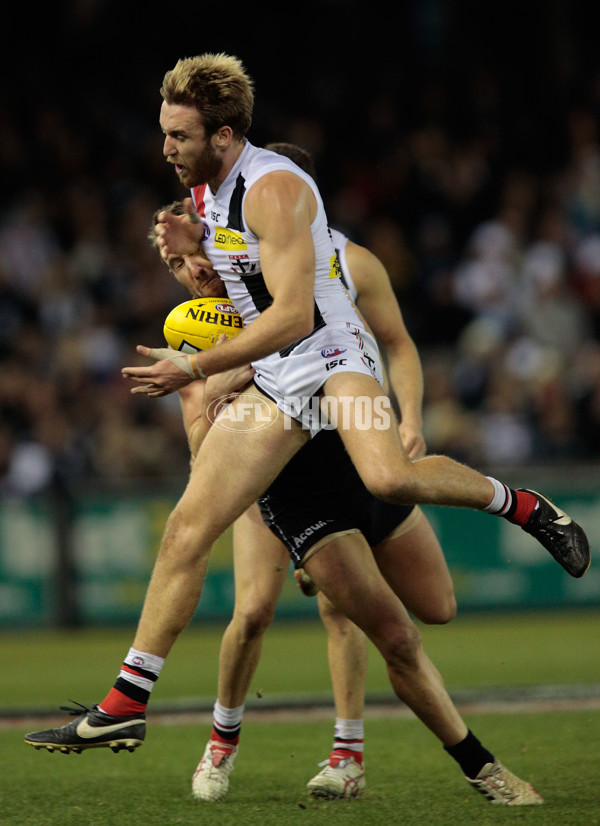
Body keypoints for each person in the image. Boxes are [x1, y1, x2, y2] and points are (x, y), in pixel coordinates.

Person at [25, 52, 587, 804]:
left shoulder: (278, 189)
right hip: (282, 383)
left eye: (179, 134)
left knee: (389, 476)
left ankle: (522, 504)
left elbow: (293, 316)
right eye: (165, 132)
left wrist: (195, 369)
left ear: (223, 134)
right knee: (189, 526)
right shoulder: (205, 192)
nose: (165, 147)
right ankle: (126, 704)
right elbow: (246, 297)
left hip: (330, 358)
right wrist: (192, 271)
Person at [144, 193, 456, 803]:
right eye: (182, 268)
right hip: (267, 475)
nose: (194, 273)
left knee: (355, 609)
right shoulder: (209, 311)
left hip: (336, 453)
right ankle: (222, 742)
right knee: (254, 611)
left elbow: (390, 344)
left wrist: (406, 419)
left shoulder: (346, 263)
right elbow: (205, 446)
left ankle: (346, 754)